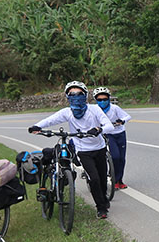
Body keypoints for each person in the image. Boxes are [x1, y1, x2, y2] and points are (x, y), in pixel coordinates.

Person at [28, 81, 114, 219]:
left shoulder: (94, 110)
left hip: (99, 148)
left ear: (85, 95)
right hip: (82, 150)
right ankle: (101, 208)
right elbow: (50, 120)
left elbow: (109, 126)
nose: (76, 96)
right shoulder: (67, 112)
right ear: (67, 97)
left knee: (103, 178)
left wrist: (98, 129)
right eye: (72, 94)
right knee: (94, 179)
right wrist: (36, 126)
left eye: (79, 93)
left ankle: (103, 199)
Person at [92, 86, 132, 189]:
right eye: (99, 100)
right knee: (115, 156)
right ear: (96, 100)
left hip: (120, 134)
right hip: (108, 134)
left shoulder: (115, 108)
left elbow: (127, 116)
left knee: (122, 159)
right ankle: (113, 178)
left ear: (109, 98)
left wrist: (122, 121)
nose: (102, 102)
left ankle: (119, 180)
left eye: (105, 99)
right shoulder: (95, 110)